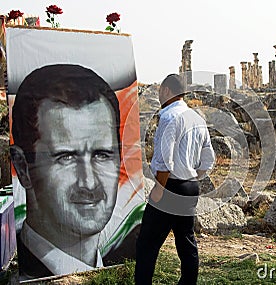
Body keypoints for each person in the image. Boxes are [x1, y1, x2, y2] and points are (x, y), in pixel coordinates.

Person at [10, 64, 122, 279]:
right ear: (23, 167)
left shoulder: (119, 260)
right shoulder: (23, 270)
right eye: (66, 157)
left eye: (102, 155)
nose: (89, 183)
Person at [135, 74, 215, 285]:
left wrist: (160, 188)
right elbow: (208, 159)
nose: (159, 95)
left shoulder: (169, 117)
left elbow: (164, 158)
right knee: (185, 239)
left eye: (161, 91)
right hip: (190, 186)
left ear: (168, 91)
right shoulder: (197, 118)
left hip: (169, 185)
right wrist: (192, 175)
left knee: (147, 243)